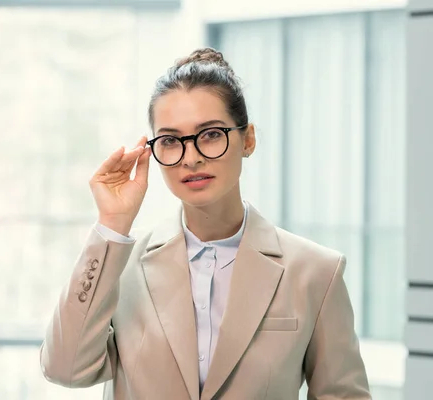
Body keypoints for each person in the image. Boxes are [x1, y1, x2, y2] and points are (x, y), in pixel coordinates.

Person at [39, 48, 371, 400]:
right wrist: (112, 223)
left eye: (211, 134)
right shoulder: (121, 266)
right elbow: (65, 369)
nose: (192, 157)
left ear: (248, 139)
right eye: (170, 141)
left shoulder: (316, 273)